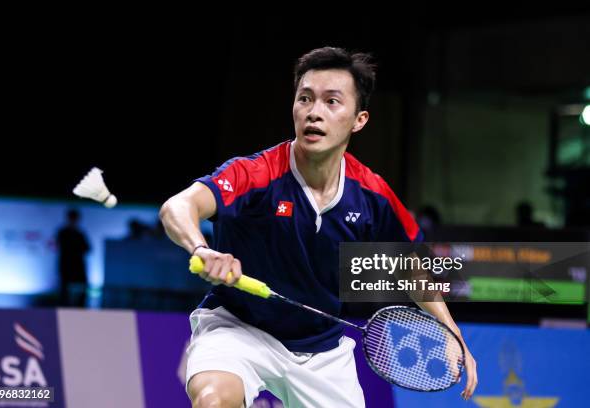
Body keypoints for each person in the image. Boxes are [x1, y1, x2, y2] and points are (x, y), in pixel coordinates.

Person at [160, 47, 478, 407]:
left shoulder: (372, 195)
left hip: (322, 350)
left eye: (331, 102)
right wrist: (202, 249)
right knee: (214, 400)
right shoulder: (256, 174)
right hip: (238, 326)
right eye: (305, 99)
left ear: (359, 120)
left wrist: (451, 332)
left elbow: (410, 267)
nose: (314, 113)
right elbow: (178, 206)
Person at [56, 209, 90, 307]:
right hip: (66, 268)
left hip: (78, 268)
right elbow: (62, 247)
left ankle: (80, 314)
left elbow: (87, 248)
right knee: (65, 295)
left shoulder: (80, 234)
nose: (74, 220)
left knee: (81, 295)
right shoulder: (62, 233)